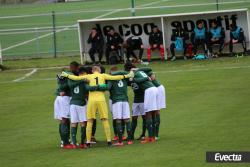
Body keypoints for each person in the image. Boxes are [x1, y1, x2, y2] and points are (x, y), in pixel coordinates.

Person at [60, 66, 134, 147]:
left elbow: (75, 78)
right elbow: (115, 77)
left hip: (92, 100)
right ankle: (109, 141)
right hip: (101, 100)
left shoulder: (89, 76)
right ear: (99, 70)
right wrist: (127, 76)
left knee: (90, 121)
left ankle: (87, 142)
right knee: (105, 120)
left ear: (92, 71)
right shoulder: (103, 75)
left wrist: (66, 75)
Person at [124, 62, 159, 143]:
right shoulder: (140, 72)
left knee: (148, 114)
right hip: (151, 91)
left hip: (148, 92)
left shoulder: (134, 73)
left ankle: (150, 137)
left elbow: (135, 80)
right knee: (150, 113)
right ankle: (151, 136)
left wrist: (137, 77)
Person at [67, 67, 99, 149]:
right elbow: (88, 89)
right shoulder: (84, 81)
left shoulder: (72, 80)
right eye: (85, 73)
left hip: (73, 104)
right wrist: (98, 86)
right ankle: (82, 143)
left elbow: (70, 85)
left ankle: (74, 143)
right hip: (81, 104)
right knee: (83, 123)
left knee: (73, 123)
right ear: (82, 74)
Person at [106, 66, 133, 146]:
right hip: (125, 100)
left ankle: (120, 141)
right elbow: (129, 76)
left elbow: (108, 87)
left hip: (116, 101)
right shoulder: (124, 78)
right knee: (127, 120)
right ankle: (130, 140)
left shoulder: (111, 79)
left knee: (118, 120)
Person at [138, 67, 166, 140]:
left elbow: (150, 72)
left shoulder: (142, 73)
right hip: (159, 88)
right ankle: (155, 135)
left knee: (154, 111)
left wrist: (137, 69)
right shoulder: (146, 73)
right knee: (156, 111)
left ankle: (154, 135)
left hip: (157, 89)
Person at [58, 61, 79, 149]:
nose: (77, 70)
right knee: (65, 119)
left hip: (63, 98)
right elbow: (62, 85)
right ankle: (65, 143)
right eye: (77, 68)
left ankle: (65, 141)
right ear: (73, 67)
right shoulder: (68, 74)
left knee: (66, 120)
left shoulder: (68, 74)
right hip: (65, 99)